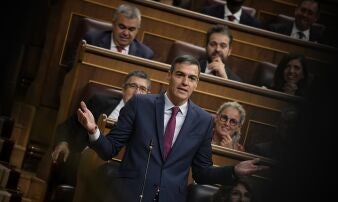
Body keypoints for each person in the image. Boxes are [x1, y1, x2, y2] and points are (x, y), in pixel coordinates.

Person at [77, 55, 268, 202]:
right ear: (169, 75)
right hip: (128, 195)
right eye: (180, 75)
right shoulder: (140, 104)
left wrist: (234, 171)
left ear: (196, 83)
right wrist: (94, 130)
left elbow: (201, 173)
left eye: (192, 78)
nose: (185, 82)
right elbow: (109, 149)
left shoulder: (202, 120)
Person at [50, 70, 151, 188]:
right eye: (133, 86)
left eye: (143, 89)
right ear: (123, 89)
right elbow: (68, 126)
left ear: (148, 94)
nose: (137, 92)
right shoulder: (100, 102)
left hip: (115, 174)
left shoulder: (148, 121)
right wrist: (63, 142)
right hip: (80, 163)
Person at [83, 4, 154, 59]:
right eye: (122, 27)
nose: (126, 33)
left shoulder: (145, 54)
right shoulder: (92, 40)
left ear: (137, 30)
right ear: (113, 24)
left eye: (131, 29)